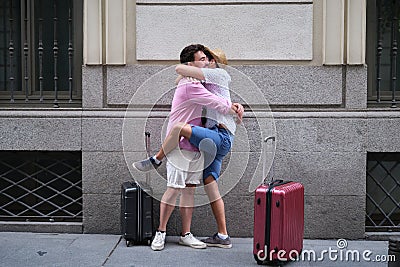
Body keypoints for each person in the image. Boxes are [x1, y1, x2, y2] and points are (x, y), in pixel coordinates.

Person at [134, 44, 243, 250]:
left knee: (189, 191)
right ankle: (162, 232)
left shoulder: (214, 76)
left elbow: (215, 97)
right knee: (176, 189)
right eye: (202, 59)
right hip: (181, 145)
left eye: (208, 58)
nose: (206, 62)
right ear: (192, 64)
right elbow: (215, 102)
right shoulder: (191, 84)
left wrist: (235, 106)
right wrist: (232, 108)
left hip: (200, 143)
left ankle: (186, 233)